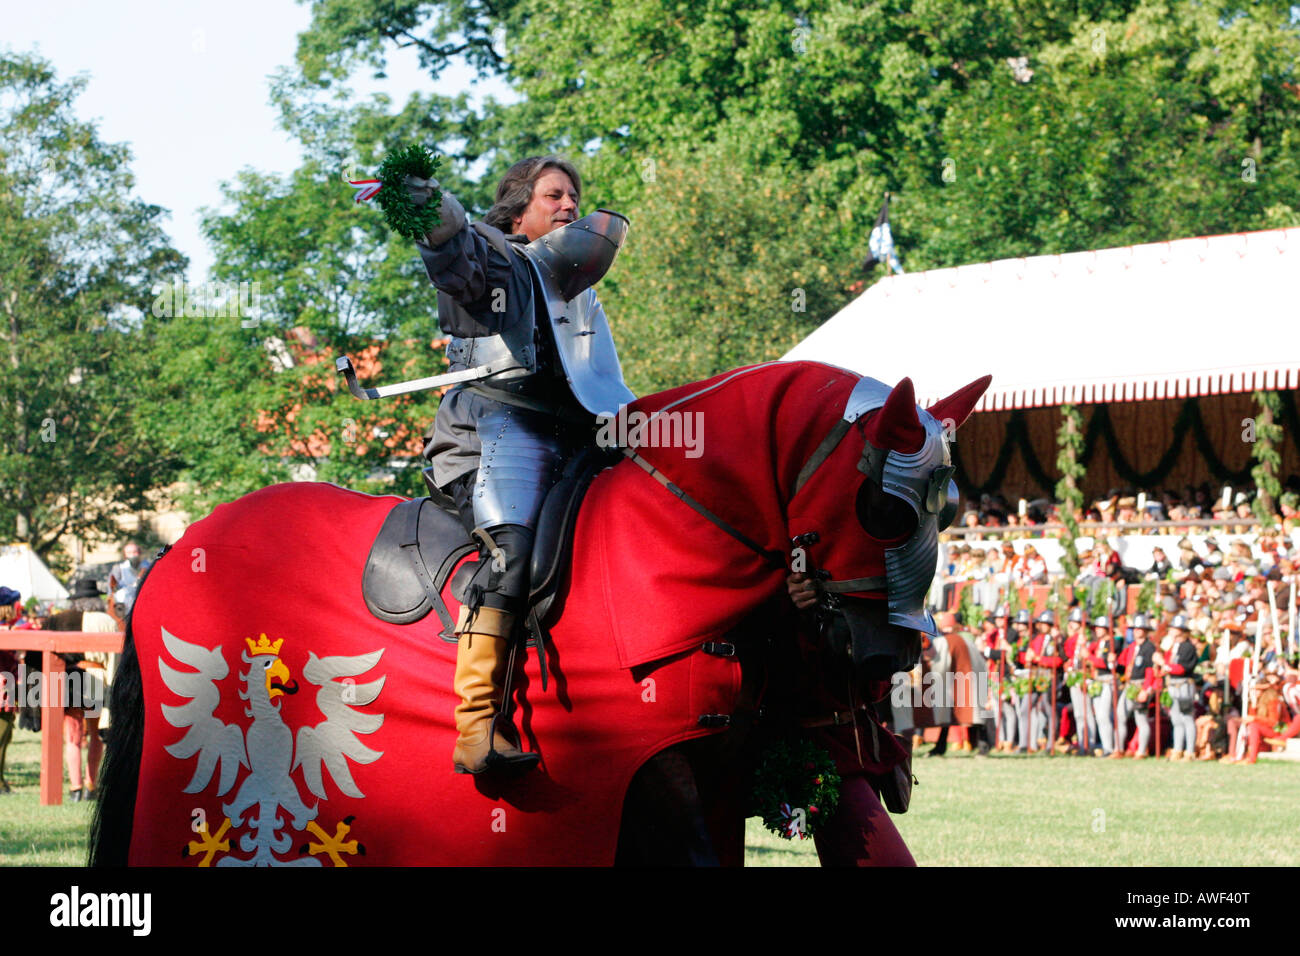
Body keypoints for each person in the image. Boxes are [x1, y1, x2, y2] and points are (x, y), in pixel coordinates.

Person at [407, 156, 634, 775]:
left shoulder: (582, 298)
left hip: (571, 448)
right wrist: (434, 213)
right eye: (554, 195)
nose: (569, 205)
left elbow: (602, 389)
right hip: (485, 441)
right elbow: (457, 263)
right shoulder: (500, 257)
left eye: (575, 196)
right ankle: (477, 727)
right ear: (518, 210)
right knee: (511, 549)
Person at [45, 580, 117, 800]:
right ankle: (90, 786)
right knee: (95, 736)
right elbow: (114, 657)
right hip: (97, 678)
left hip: (70, 679)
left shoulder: (65, 620)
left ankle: (75, 788)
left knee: (73, 737)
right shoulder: (107, 621)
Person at [1116, 614, 1158, 758]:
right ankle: (1119, 748)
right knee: (1120, 714)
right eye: (1135, 629)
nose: (1137, 631)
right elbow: (1122, 663)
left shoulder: (1149, 648)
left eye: (1140, 629)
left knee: (1141, 718)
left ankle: (1141, 750)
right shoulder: (1132, 647)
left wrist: (1145, 689)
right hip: (1129, 683)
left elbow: (1150, 670)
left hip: (1140, 684)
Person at [1161, 614, 1198, 760]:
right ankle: (1177, 748)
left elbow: (1181, 668)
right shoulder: (1173, 647)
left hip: (1183, 685)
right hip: (1173, 684)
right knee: (1176, 719)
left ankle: (1190, 750)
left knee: (1187, 718)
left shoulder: (1188, 647)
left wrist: (1165, 665)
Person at [108, 541, 151, 618]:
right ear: (125, 555)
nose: (132, 555)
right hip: (124, 606)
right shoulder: (119, 569)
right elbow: (111, 591)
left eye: (135, 552)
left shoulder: (148, 567)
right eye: (129, 553)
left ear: (139, 553)